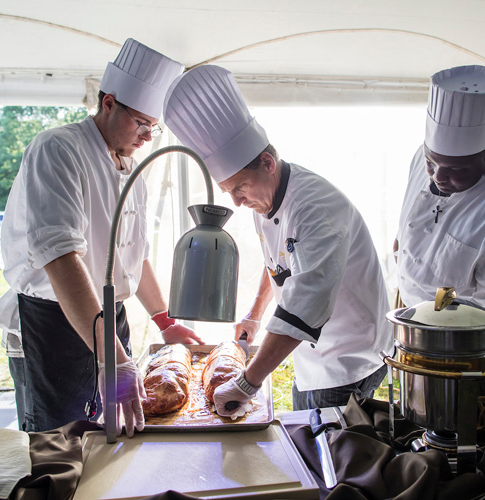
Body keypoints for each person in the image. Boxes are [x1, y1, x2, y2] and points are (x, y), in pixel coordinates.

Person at [0, 39, 204, 436]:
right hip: (57, 323)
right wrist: (112, 355)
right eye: (141, 123)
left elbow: (134, 257)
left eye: (152, 129)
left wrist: (163, 320)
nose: (145, 136)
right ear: (108, 102)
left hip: (110, 320)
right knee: (62, 440)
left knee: (116, 430)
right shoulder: (58, 149)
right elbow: (61, 258)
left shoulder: (130, 166)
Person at [163, 64, 393, 416]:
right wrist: (254, 315)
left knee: (330, 461)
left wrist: (247, 382)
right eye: (229, 192)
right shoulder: (265, 195)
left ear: (267, 162)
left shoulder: (317, 208)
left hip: (348, 358)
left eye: (239, 188)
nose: (236, 202)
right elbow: (281, 263)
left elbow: (305, 303)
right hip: (309, 353)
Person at [394, 64, 485, 352]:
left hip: (468, 340)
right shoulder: (420, 159)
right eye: (431, 162)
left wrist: (435, 316)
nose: (437, 176)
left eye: (455, 169)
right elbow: (409, 227)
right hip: (413, 319)